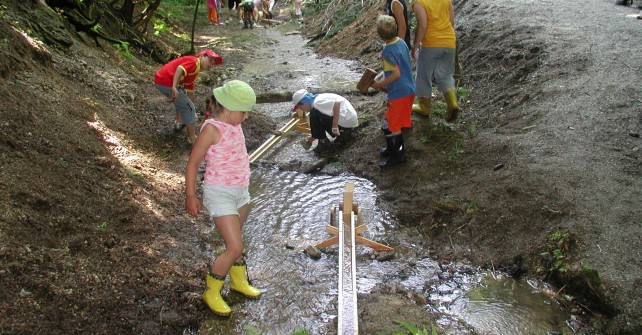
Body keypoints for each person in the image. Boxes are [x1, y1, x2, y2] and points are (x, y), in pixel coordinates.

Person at [185, 80, 261, 317]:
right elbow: (193, 163)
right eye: (244, 112)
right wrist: (191, 195)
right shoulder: (211, 129)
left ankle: (238, 282)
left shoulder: (234, 124)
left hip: (240, 192)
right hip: (220, 193)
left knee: (237, 241)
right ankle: (211, 290)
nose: (246, 117)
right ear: (229, 108)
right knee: (235, 245)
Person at [371, 15, 415, 169]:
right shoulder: (401, 42)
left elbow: (396, 74)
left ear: (380, 35)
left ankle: (398, 157)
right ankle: (391, 149)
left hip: (399, 92)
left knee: (395, 126)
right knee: (391, 119)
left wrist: (379, 84)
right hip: (409, 88)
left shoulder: (388, 52)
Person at [154, 49, 223, 144]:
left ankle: (179, 122)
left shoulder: (195, 70)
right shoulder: (194, 61)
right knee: (187, 108)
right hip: (167, 81)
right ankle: (192, 138)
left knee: (183, 102)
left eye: (213, 64)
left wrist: (190, 103)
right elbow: (179, 69)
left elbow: (189, 88)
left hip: (162, 80)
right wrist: (174, 87)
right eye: (210, 60)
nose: (211, 64)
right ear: (202, 56)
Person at [411, 0, 461, 122]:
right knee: (445, 74)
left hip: (431, 43)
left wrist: (415, 46)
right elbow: (452, 21)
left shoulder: (419, 2)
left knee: (423, 74)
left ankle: (424, 106)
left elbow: (423, 26)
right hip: (449, 41)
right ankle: (452, 103)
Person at [292, 89, 359, 152]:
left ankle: (323, 143)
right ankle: (323, 140)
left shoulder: (317, 102)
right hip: (349, 120)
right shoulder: (320, 98)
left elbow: (337, 103)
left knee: (313, 113)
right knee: (315, 113)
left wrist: (334, 126)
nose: (303, 110)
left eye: (301, 108)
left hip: (346, 122)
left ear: (304, 102)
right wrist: (313, 137)